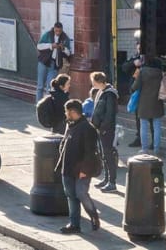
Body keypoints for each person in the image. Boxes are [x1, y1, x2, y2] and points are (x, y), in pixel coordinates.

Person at [56, 98, 102, 234]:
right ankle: (74, 224)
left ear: (72, 112)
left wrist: (84, 170)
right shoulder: (70, 125)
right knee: (71, 195)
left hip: (81, 170)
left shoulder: (88, 128)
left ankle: (93, 215)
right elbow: (64, 143)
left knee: (81, 193)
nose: (65, 114)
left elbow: (90, 152)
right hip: (68, 168)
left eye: (66, 112)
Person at [89, 71, 119, 192]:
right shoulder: (101, 92)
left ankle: (112, 182)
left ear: (98, 81)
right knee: (103, 155)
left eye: (93, 82)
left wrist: (104, 128)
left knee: (108, 155)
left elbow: (110, 114)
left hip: (106, 130)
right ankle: (106, 179)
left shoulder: (109, 94)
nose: (92, 84)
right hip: (100, 128)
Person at [131, 58, 165, 154]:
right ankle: (156, 149)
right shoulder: (160, 74)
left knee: (143, 126)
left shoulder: (142, 72)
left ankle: (144, 149)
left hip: (144, 102)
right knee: (157, 126)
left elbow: (134, 86)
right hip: (157, 102)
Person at [37, 22, 71, 103]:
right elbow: (39, 46)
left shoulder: (65, 38)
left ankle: (49, 104)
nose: (58, 33)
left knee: (51, 86)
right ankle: (38, 103)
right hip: (44, 62)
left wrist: (63, 48)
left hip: (54, 64)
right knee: (40, 85)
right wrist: (51, 45)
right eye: (56, 31)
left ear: (62, 30)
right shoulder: (48, 35)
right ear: (54, 29)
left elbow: (68, 53)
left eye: (59, 31)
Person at [121, 39, 145, 146]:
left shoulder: (150, 59)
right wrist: (133, 63)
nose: (139, 48)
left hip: (147, 90)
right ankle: (139, 137)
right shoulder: (135, 57)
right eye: (138, 46)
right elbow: (124, 67)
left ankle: (152, 140)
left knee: (150, 118)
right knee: (138, 115)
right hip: (136, 90)